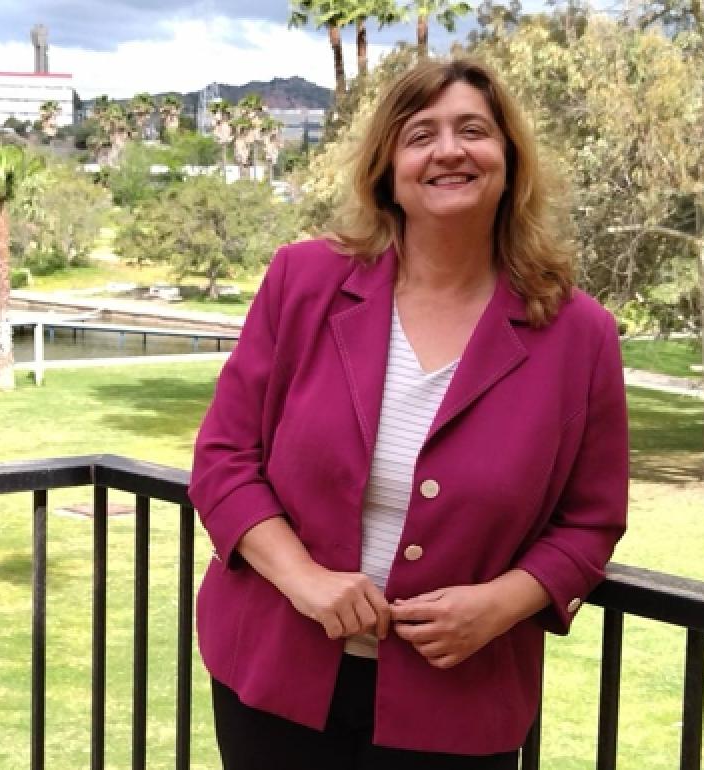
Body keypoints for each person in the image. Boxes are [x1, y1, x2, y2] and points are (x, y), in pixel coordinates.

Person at [188, 57, 629, 770]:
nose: (449, 149)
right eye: (421, 134)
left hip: (459, 701)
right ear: (388, 166)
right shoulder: (304, 281)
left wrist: (503, 604)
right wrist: (304, 579)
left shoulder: (579, 334)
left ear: (509, 162)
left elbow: (591, 520)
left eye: (473, 130)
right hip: (273, 678)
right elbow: (224, 462)